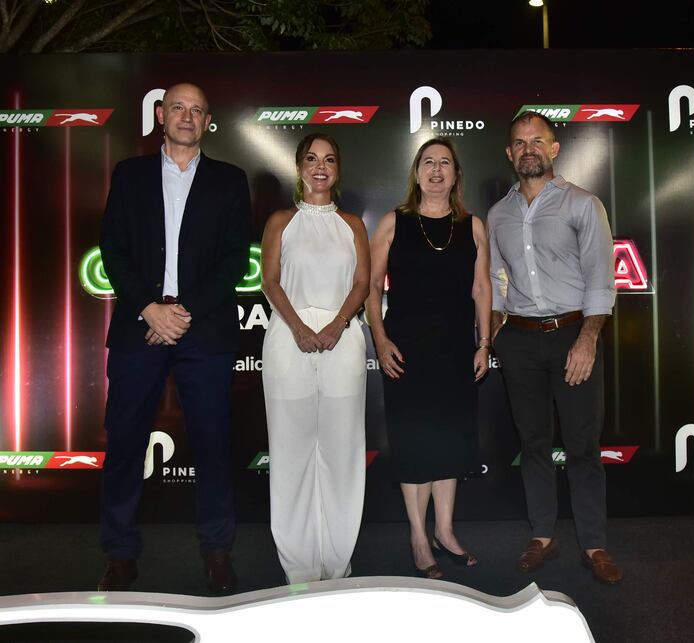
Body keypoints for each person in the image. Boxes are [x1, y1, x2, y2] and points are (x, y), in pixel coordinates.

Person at [97, 83, 251, 594]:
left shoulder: (230, 181)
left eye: (197, 110)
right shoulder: (130, 173)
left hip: (201, 330)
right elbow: (113, 248)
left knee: (212, 444)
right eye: (178, 107)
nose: (187, 116)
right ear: (162, 115)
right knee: (123, 444)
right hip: (138, 327)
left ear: (209, 121)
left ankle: (216, 550)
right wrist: (149, 308)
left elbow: (234, 260)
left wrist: (181, 312)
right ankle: (119, 553)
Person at [488, 111, 622, 584]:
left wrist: (587, 339)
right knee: (533, 443)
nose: (529, 149)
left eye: (537, 141)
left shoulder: (583, 205)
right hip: (519, 341)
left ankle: (594, 544)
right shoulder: (498, 214)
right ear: (509, 153)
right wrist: (494, 334)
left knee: (583, 446)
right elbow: (495, 282)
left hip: (573, 335)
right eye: (519, 142)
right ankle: (542, 535)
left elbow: (601, 280)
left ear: (554, 148)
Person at [366, 138, 491, 579]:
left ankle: (446, 530)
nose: (436, 170)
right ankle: (419, 536)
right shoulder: (393, 223)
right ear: (416, 173)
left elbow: (481, 289)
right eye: (428, 163)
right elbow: (372, 288)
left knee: (449, 440)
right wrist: (379, 339)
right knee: (415, 441)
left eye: (445, 164)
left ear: (456, 175)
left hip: (455, 350)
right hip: (406, 351)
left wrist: (484, 342)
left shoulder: (473, 225)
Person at [261, 133, 370, 584]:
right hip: (288, 341)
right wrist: (301, 329)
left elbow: (363, 283)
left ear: (338, 169)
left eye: (329, 159)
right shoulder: (280, 221)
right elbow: (269, 281)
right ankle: (300, 566)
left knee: (343, 453)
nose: (320, 167)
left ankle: (338, 562)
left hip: (343, 341)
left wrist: (337, 324)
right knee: (290, 453)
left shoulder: (352, 224)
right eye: (311, 158)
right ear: (299, 167)